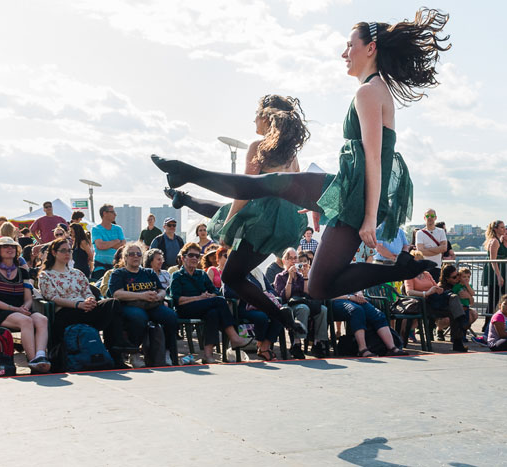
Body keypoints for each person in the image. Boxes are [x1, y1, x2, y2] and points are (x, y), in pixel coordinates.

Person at [152, 8, 449, 299]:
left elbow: (373, 158)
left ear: (370, 48)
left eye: (349, 45)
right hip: (349, 191)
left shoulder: (368, 92)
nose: (344, 53)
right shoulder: (374, 89)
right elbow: (367, 159)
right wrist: (322, 203)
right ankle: (400, 270)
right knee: (318, 287)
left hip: (354, 195)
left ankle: (184, 171)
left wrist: (369, 218)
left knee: (266, 185)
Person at [161, 94, 311, 336]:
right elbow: (298, 190)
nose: (253, 121)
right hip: (284, 221)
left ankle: (281, 315)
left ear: (265, 117)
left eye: (256, 115)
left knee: (231, 274)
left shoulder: (257, 147)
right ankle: (184, 198)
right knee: (223, 214)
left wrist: (228, 225)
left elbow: (243, 190)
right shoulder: (291, 154)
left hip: (264, 218)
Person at [37, 238, 131, 368]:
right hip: (65, 312)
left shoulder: (77, 273)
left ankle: (116, 351)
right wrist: (78, 304)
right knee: (104, 309)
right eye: (63, 251)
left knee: (113, 303)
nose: (67, 254)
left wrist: (90, 300)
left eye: (69, 251)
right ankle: (116, 353)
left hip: (84, 308)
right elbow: (52, 297)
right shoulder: (46, 275)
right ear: (54, 252)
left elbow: (87, 291)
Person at [169, 242, 251, 364]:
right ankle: (234, 337)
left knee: (213, 313)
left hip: (203, 307)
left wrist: (209, 296)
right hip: (185, 308)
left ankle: (208, 355)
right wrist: (200, 298)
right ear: (183, 258)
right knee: (219, 302)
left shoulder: (201, 274)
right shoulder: (177, 275)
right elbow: (177, 300)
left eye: (197, 256)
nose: (194, 258)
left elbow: (216, 292)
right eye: (191, 255)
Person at [0, 237, 50, 373]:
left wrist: (25, 306)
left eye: (12, 247)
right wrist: (16, 309)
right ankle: (32, 361)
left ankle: (40, 355)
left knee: (42, 319)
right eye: (5, 246)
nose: (10, 249)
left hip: (21, 310)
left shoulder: (22, 271)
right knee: (26, 321)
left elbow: (28, 298)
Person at [108, 243, 178, 367]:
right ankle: (134, 353)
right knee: (139, 317)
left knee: (171, 317)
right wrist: (141, 295)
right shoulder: (119, 274)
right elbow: (117, 294)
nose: (135, 256)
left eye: (138, 254)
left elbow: (161, 289)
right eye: (131, 254)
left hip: (151, 305)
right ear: (125, 258)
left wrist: (159, 296)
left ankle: (166, 352)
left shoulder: (149, 272)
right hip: (129, 305)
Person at [404, 251, 468, 352]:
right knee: (455, 310)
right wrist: (427, 293)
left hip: (435, 301)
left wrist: (438, 290)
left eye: (421, 261)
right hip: (423, 303)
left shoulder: (426, 274)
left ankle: (458, 341)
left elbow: (435, 286)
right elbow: (409, 292)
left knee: (454, 301)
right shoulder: (410, 276)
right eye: (417, 262)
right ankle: (462, 321)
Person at [274, 248, 329, 359]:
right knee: (303, 308)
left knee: (323, 309)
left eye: (296, 258)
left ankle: (317, 343)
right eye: (290, 259)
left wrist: (305, 276)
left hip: (303, 302)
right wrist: (290, 277)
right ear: (284, 261)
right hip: (288, 306)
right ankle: (297, 343)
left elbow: (307, 294)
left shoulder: (300, 276)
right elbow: (284, 297)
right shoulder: (280, 277)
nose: (294, 261)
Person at [223, 269, 283, 361]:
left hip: (261, 305)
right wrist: (248, 294)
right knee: (262, 317)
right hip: (243, 307)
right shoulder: (233, 274)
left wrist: (264, 295)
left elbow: (272, 290)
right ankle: (260, 343)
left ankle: (264, 347)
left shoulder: (257, 272)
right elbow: (227, 293)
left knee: (280, 315)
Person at [330, 291, 407, 357]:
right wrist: (349, 297)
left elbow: (356, 287)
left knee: (377, 314)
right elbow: (325, 295)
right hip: (335, 301)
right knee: (357, 311)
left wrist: (359, 293)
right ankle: (362, 349)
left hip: (354, 298)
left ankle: (392, 348)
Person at [482, 220, 507, 332]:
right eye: (501, 227)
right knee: (493, 300)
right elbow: (493, 260)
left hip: (500, 272)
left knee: (495, 299)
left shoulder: (499, 240)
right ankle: (487, 325)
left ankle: (488, 325)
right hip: (495, 273)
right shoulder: (494, 241)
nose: (503, 229)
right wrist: (498, 275)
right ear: (496, 229)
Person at [91, 204, 126, 281]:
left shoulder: (118, 228)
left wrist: (106, 244)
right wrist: (116, 241)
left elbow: (123, 245)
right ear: (104, 213)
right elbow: (100, 246)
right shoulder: (96, 229)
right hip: (100, 268)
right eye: (112, 212)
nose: (115, 214)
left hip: (116, 267)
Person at [415, 209, 447, 281]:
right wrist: (438, 249)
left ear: (435, 218)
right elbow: (420, 251)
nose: (429, 218)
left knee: (435, 288)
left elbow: (444, 248)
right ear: (424, 218)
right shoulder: (419, 233)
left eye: (432, 216)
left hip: (437, 266)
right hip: (424, 267)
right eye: (427, 216)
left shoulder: (441, 231)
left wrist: (427, 250)